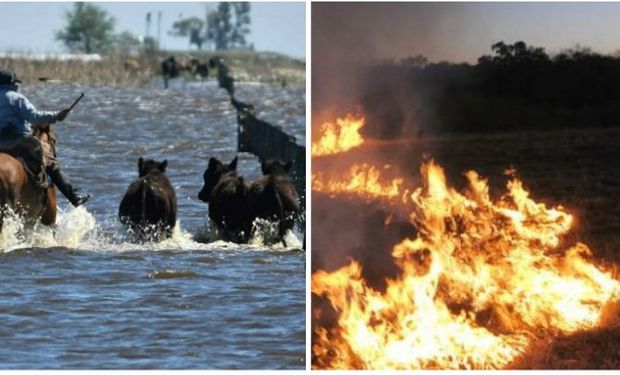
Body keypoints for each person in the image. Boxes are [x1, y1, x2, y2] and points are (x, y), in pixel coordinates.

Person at [0, 68, 91, 207]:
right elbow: (34, 117)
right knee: (48, 160)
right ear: (13, 83)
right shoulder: (16, 98)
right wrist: (56, 115)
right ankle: (73, 196)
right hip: (18, 141)